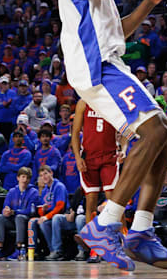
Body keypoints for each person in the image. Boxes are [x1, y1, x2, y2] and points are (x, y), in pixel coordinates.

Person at [49, 0, 167, 271]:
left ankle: (140, 231)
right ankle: (106, 223)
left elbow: (116, 32)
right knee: (154, 132)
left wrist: (149, 2)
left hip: (108, 60)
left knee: (166, 134)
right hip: (95, 67)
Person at [70, 99, 121, 262]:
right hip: (89, 158)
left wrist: (124, 149)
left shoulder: (113, 100)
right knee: (90, 202)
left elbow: (125, 131)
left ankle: (118, 243)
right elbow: (75, 132)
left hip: (109, 156)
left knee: (113, 200)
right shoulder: (83, 103)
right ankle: (95, 248)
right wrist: (77, 157)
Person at [0, 167, 39, 261]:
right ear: (18, 178)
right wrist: (6, 211)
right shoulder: (11, 192)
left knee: (19, 217)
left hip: (26, 220)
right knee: (0, 217)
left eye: (27, 178)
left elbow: (30, 211)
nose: (25, 180)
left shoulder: (34, 192)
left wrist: (14, 212)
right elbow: (5, 206)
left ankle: (19, 249)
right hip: (12, 219)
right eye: (23, 177)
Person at [30, 165, 69, 261]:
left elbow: (60, 207)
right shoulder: (44, 190)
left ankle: (58, 250)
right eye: (41, 175)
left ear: (51, 173)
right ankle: (47, 251)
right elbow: (40, 208)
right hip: (51, 217)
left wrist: (46, 216)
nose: (44, 177)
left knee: (54, 219)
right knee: (38, 222)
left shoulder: (59, 186)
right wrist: (42, 211)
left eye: (46, 174)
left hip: (64, 217)